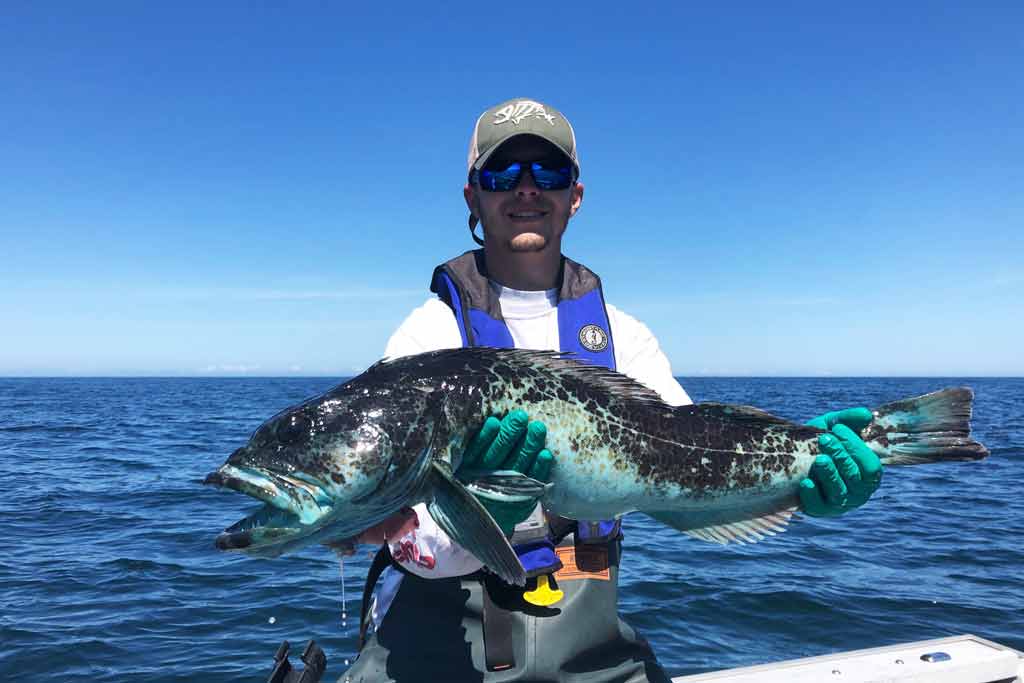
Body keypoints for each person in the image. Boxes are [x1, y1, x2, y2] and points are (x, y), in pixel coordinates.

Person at [339, 98, 883, 682]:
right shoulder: (427, 337)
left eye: (547, 173)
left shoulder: (625, 337)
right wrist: (478, 517)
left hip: (592, 654)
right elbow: (398, 536)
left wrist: (804, 486)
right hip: (436, 656)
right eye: (503, 174)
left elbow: (693, 478)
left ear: (574, 195)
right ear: (474, 196)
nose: (526, 190)